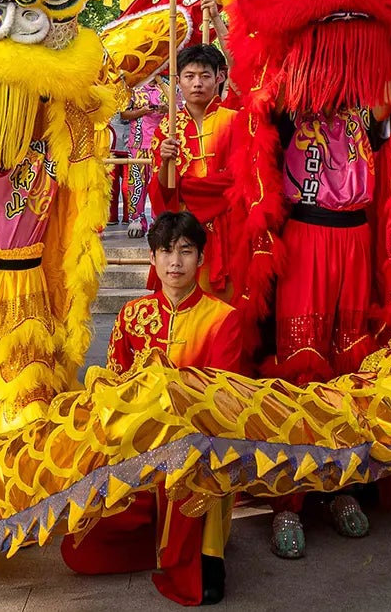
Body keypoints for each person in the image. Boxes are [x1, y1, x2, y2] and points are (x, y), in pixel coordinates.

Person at [61, 210, 253, 606]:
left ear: (201, 258)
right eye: (166, 252)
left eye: (186, 251)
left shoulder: (223, 320)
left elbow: (223, 400)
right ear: (152, 260)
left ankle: (206, 558)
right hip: (140, 456)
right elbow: (114, 385)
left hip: (198, 456)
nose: (175, 262)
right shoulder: (133, 315)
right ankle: (162, 545)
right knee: (79, 551)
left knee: (199, 467)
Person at [154, 45, 241, 299]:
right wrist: (165, 163)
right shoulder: (167, 128)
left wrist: (191, 187)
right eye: (189, 76)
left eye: (205, 76)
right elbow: (163, 192)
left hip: (230, 227)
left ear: (219, 77)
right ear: (178, 80)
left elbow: (243, 177)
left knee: (229, 305)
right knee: (186, 302)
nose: (197, 83)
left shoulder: (234, 120)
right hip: (186, 228)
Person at [122, 74, 169, 237]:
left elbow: (180, 110)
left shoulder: (168, 87)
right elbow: (123, 114)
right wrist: (142, 111)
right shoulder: (133, 88)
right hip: (138, 143)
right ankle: (136, 220)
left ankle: (160, 220)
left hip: (161, 143)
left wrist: (166, 109)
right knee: (136, 184)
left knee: (159, 183)